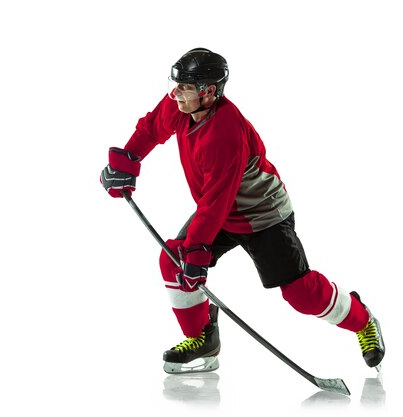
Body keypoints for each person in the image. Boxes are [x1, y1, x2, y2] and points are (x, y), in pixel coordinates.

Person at [101, 48, 385, 374]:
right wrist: (128, 160)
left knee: (300, 294)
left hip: (262, 215)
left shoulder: (225, 131)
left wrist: (197, 249)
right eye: (176, 85)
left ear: (208, 92)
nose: (176, 93)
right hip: (220, 211)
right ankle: (202, 340)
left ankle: (362, 320)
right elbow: (152, 128)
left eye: (186, 88)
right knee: (174, 260)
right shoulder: (182, 107)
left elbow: (216, 201)